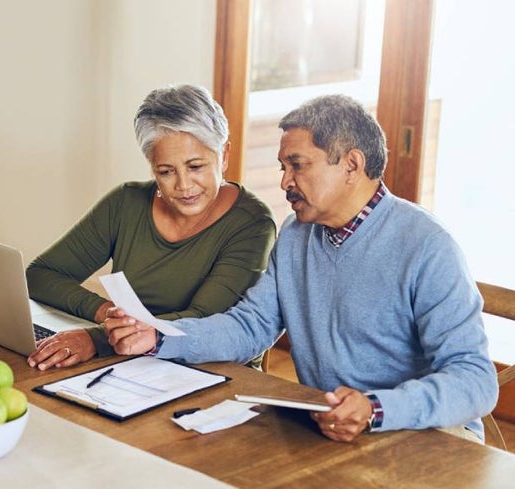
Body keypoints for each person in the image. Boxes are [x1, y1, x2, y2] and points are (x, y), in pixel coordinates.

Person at [103, 94, 498, 443]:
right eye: (282, 167)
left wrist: (376, 409)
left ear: (351, 164)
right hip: (332, 430)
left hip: (427, 437)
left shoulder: (427, 246)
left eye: (297, 165)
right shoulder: (296, 234)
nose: (284, 182)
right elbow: (250, 326)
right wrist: (158, 337)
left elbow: (475, 381)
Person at [25, 84, 277, 371]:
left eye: (196, 167)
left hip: (213, 372)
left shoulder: (252, 223)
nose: (183, 186)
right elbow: (41, 275)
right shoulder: (126, 203)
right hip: (131, 364)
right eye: (166, 171)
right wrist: (108, 314)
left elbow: (205, 321)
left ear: (225, 155)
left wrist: (97, 339)